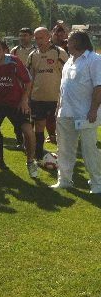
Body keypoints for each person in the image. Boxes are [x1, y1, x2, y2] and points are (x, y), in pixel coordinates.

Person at [0, 39, 37, 178]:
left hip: (15, 103)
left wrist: (24, 101)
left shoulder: (14, 62)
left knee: (28, 131)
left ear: (5, 50)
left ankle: (30, 162)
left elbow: (28, 82)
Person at [50, 30, 101, 193]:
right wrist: (58, 108)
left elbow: (98, 87)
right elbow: (63, 88)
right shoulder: (69, 61)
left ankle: (97, 183)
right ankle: (64, 180)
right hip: (65, 113)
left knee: (89, 150)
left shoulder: (94, 59)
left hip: (85, 114)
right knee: (64, 149)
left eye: (70, 40)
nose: (66, 42)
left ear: (78, 42)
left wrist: (93, 110)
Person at [27, 27, 68, 161]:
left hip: (57, 98)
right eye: (36, 38)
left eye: (41, 37)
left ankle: (64, 156)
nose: (38, 40)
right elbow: (30, 78)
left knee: (60, 127)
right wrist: (27, 97)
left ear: (48, 37)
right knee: (39, 126)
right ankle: (39, 154)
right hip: (38, 98)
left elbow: (68, 75)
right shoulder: (32, 55)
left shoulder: (59, 52)